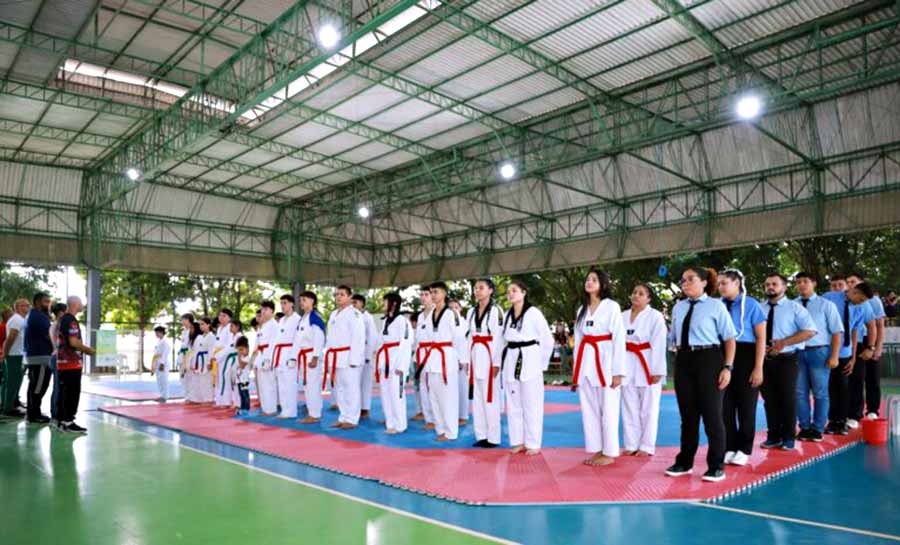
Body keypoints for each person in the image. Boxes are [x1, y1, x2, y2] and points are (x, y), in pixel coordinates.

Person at [665, 267, 735, 483]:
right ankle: (684, 462)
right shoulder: (678, 307)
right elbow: (673, 338)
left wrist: (727, 367)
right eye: (683, 279)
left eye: (690, 279)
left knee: (713, 416)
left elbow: (730, 339)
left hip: (709, 359)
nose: (685, 283)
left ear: (704, 282)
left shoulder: (716, 306)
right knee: (688, 416)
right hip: (684, 361)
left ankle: (716, 466)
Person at [573, 269, 626, 466]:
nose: (589, 282)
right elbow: (578, 341)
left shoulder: (611, 307)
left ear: (603, 284)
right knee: (590, 410)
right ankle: (596, 449)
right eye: (587, 279)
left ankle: (610, 452)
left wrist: (618, 372)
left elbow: (619, 339)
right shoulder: (581, 310)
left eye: (594, 279)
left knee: (609, 409)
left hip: (605, 361)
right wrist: (576, 373)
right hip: (586, 363)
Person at [758, 274, 816, 451]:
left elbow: (810, 331)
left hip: (787, 359)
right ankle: (773, 436)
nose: (770, 287)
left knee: (788, 399)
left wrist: (784, 342)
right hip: (764, 360)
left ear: (784, 287)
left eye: (774, 284)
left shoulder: (795, 308)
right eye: (767, 284)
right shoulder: (759, 308)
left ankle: (789, 437)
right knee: (769, 400)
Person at [717, 269, 766, 466]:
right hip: (722, 355)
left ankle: (744, 448)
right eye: (719, 283)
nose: (720, 287)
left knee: (746, 405)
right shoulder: (716, 306)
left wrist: (758, 367)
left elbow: (761, 337)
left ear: (737, 283)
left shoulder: (752, 305)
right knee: (725, 406)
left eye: (724, 283)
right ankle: (730, 446)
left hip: (746, 354)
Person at [502, 279, 553, 455]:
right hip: (511, 358)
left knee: (532, 404)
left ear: (524, 292)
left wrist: (542, 364)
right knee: (514, 403)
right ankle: (517, 441)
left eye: (514, 290)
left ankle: (532, 442)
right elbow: (502, 340)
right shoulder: (508, 314)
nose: (510, 294)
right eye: (508, 291)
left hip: (530, 359)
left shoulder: (533, 313)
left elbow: (547, 339)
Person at [793, 272, 843, 442]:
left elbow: (837, 332)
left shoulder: (826, 305)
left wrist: (835, 356)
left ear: (814, 283)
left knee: (820, 393)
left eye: (805, 281)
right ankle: (805, 427)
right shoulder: (792, 305)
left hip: (820, 352)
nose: (801, 285)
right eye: (798, 282)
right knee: (800, 393)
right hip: (797, 352)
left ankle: (818, 428)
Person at [621, 283, 667, 457]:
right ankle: (631, 444)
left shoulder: (655, 316)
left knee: (648, 408)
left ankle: (646, 446)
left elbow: (659, 343)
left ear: (648, 299)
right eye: (634, 292)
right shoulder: (622, 316)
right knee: (629, 407)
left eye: (641, 293)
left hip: (647, 362)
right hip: (627, 362)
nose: (636, 296)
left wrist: (657, 370)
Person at [823, 276, 872, 434]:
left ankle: (841, 421)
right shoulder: (829, 298)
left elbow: (855, 330)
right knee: (829, 387)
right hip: (826, 349)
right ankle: (831, 421)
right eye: (862, 298)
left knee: (843, 387)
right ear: (854, 291)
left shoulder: (858, 307)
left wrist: (852, 357)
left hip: (845, 351)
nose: (862, 302)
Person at [422, 282, 468, 442]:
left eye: (436, 292)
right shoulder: (431, 314)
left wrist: (463, 359)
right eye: (431, 292)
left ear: (444, 293)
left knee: (448, 397)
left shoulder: (451, 313)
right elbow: (428, 336)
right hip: (433, 356)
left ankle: (451, 432)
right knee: (434, 396)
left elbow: (459, 338)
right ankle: (440, 429)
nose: (433, 295)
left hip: (447, 356)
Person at [466, 279, 504, 448]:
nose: (477, 291)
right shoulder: (471, 312)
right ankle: (481, 435)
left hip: (489, 356)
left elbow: (499, 338)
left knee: (491, 398)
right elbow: (468, 337)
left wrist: (497, 363)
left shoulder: (496, 311)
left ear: (490, 290)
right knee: (478, 400)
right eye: (476, 288)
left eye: (481, 288)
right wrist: (466, 360)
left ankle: (493, 437)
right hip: (475, 355)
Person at [846, 272, 886, 420]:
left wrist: (877, 347)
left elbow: (879, 326)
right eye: (848, 282)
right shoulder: (847, 301)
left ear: (862, 283)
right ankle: (854, 413)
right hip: (854, 343)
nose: (850, 284)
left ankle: (873, 410)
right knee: (855, 379)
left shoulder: (874, 301)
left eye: (854, 281)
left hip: (869, 342)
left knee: (872, 378)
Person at [325, 286, 366, 429]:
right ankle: (343, 417)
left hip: (349, 356)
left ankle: (352, 419)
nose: (338, 297)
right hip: (335, 356)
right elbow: (330, 337)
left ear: (350, 297)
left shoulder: (355, 314)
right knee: (339, 389)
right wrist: (327, 355)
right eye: (336, 294)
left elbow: (358, 338)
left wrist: (355, 359)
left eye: (342, 294)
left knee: (351, 388)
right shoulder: (333, 314)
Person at [55, 296, 95, 433]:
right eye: (81, 303)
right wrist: (88, 350)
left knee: (63, 392)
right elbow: (73, 342)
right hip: (71, 363)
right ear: (75, 304)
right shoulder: (71, 320)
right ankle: (68, 421)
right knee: (72, 392)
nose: (82, 305)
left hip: (62, 362)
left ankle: (61, 420)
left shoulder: (62, 319)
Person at [376, 292, 413, 434]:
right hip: (385, 361)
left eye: (386, 302)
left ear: (394, 304)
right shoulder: (386, 320)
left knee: (397, 394)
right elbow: (381, 342)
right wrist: (378, 364)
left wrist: (402, 366)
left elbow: (406, 344)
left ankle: (400, 425)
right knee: (385, 393)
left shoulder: (402, 321)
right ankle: (390, 423)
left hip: (396, 361)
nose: (384, 305)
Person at [295, 291, 326, 424]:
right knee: (307, 385)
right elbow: (298, 340)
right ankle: (312, 412)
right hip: (303, 355)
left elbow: (319, 338)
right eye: (301, 300)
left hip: (311, 354)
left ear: (312, 301)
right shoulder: (303, 318)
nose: (302, 302)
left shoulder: (314, 317)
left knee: (313, 385)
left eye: (305, 300)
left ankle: (315, 414)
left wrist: (315, 356)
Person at [24, 292, 53, 424]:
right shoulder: (39, 316)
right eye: (46, 302)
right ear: (37, 302)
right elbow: (49, 335)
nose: (48, 304)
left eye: (49, 302)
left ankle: (32, 413)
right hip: (40, 357)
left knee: (35, 385)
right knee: (39, 387)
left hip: (36, 356)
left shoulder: (35, 315)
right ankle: (34, 415)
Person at [273, 295, 301, 419]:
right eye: (281, 303)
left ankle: (291, 411)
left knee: (290, 384)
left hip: (290, 352)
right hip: (280, 353)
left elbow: (298, 340)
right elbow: (276, 340)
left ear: (292, 304)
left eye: (285, 303)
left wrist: (293, 357)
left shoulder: (297, 319)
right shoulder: (282, 320)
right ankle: (285, 410)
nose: (282, 306)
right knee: (282, 384)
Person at [351, 294, 378, 420]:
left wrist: (368, 355)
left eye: (355, 302)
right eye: (352, 302)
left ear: (362, 303)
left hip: (365, 353)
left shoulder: (368, 318)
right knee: (354, 383)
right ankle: (354, 408)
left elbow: (372, 337)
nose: (353, 304)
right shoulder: (351, 316)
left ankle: (365, 408)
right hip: (353, 353)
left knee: (365, 383)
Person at [412, 286, 435, 427]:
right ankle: (429, 418)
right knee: (422, 386)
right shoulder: (420, 316)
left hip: (434, 352)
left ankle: (436, 417)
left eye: (426, 294)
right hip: (420, 354)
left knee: (433, 386)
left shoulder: (439, 313)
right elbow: (417, 339)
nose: (423, 297)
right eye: (422, 294)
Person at [2, 298, 29, 417]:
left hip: (18, 354)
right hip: (14, 355)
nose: (26, 308)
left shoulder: (21, 319)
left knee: (13, 381)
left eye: (27, 305)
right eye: (23, 306)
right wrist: (5, 353)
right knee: (12, 382)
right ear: (16, 308)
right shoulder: (17, 320)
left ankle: (8, 406)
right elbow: (11, 338)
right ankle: (8, 409)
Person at [254, 301, 279, 415]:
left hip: (268, 356)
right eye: (262, 309)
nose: (263, 311)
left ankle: (271, 409)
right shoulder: (262, 325)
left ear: (272, 311)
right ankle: (265, 408)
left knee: (269, 384)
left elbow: (274, 344)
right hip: (261, 354)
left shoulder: (274, 325)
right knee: (262, 384)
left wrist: (268, 360)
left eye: (266, 309)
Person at [449, 298, 469, 426]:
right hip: (448, 358)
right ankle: (452, 415)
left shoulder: (465, 323)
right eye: (451, 308)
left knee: (462, 389)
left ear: (460, 309)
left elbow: (466, 343)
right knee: (450, 390)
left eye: (456, 307)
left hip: (462, 359)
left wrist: (464, 360)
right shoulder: (446, 323)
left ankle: (463, 415)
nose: (453, 310)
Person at [211, 309, 234, 407]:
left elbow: (230, 345)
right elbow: (216, 344)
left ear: (229, 317)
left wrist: (219, 356)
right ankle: (219, 400)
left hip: (226, 357)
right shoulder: (219, 328)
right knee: (218, 379)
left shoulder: (230, 328)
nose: (221, 317)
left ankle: (226, 401)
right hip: (217, 355)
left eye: (224, 316)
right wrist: (213, 355)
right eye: (220, 315)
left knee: (225, 378)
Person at [48, 302, 66, 423]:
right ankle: (55, 415)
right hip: (57, 357)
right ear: (61, 312)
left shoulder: (55, 324)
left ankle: (57, 413)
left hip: (56, 356)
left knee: (59, 387)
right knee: (58, 387)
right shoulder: (58, 325)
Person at [192, 317, 216, 403]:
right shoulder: (199, 337)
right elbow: (195, 351)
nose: (201, 326)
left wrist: (210, 361)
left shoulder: (211, 336)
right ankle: (200, 398)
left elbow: (212, 350)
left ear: (208, 325)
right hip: (199, 360)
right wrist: (194, 363)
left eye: (202, 324)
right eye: (200, 324)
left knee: (207, 380)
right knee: (199, 380)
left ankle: (209, 399)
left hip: (206, 359)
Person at [150, 326, 171, 402]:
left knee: (163, 380)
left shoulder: (164, 342)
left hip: (163, 363)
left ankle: (165, 396)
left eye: (157, 332)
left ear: (161, 332)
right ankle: (162, 395)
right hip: (158, 361)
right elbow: (156, 354)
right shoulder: (159, 341)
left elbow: (165, 353)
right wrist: (154, 366)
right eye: (155, 333)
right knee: (159, 380)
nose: (156, 334)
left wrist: (162, 364)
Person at [177, 313, 195, 400]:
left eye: (183, 320)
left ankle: (191, 396)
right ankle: (186, 395)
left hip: (189, 355)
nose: (182, 322)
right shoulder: (184, 331)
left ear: (188, 320)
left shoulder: (193, 330)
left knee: (190, 377)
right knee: (182, 376)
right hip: (182, 355)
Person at [233, 336, 252, 416]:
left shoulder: (246, 358)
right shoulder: (241, 357)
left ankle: (246, 408)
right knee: (241, 394)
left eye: (241, 349)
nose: (240, 351)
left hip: (244, 380)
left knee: (245, 394)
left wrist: (239, 356)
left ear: (247, 349)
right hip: (239, 379)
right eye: (238, 349)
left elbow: (241, 366)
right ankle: (243, 407)